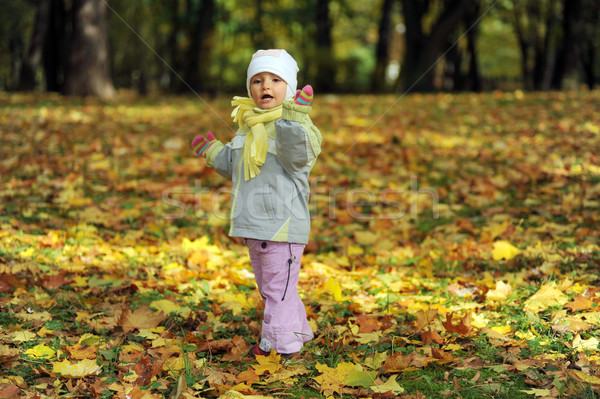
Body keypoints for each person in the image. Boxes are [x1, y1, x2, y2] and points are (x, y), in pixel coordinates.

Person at [191, 49, 321, 359]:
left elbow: (298, 155)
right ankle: (299, 330)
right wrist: (215, 153)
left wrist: (295, 118)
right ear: (249, 87)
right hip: (255, 224)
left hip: (283, 225)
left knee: (277, 290)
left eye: (276, 80)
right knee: (275, 288)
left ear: (289, 88)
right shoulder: (248, 126)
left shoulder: (297, 129)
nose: (266, 86)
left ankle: (280, 348)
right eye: (258, 80)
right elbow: (237, 163)